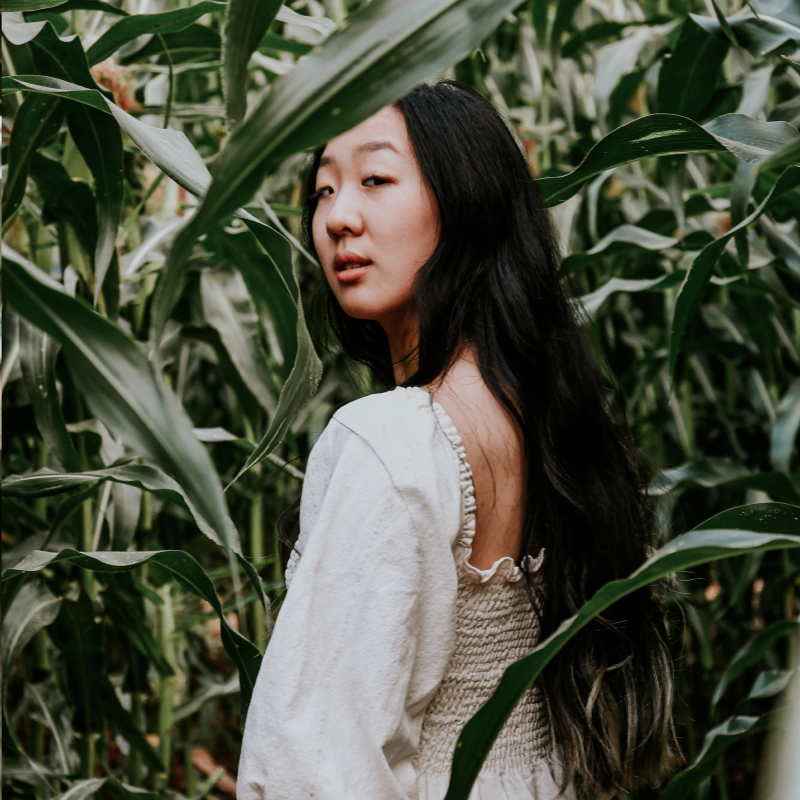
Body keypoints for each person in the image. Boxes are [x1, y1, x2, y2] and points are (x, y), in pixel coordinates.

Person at [237, 81, 677, 800]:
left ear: (467, 200)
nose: (338, 218)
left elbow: (315, 767)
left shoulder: (392, 441)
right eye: (322, 191)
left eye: (376, 180)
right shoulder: (549, 422)